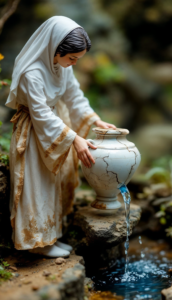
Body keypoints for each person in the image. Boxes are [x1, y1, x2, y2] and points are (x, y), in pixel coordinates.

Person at [5, 16, 116, 257]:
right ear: (55, 50)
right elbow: (41, 113)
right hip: (35, 133)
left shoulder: (61, 66)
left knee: (53, 184)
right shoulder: (31, 72)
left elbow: (74, 96)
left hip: (54, 129)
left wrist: (94, 119)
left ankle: (51, 237)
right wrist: (74, 138)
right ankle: (37, 242)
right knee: (37, 186)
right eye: (72, 58)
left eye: (78, 59)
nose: (74, 63)